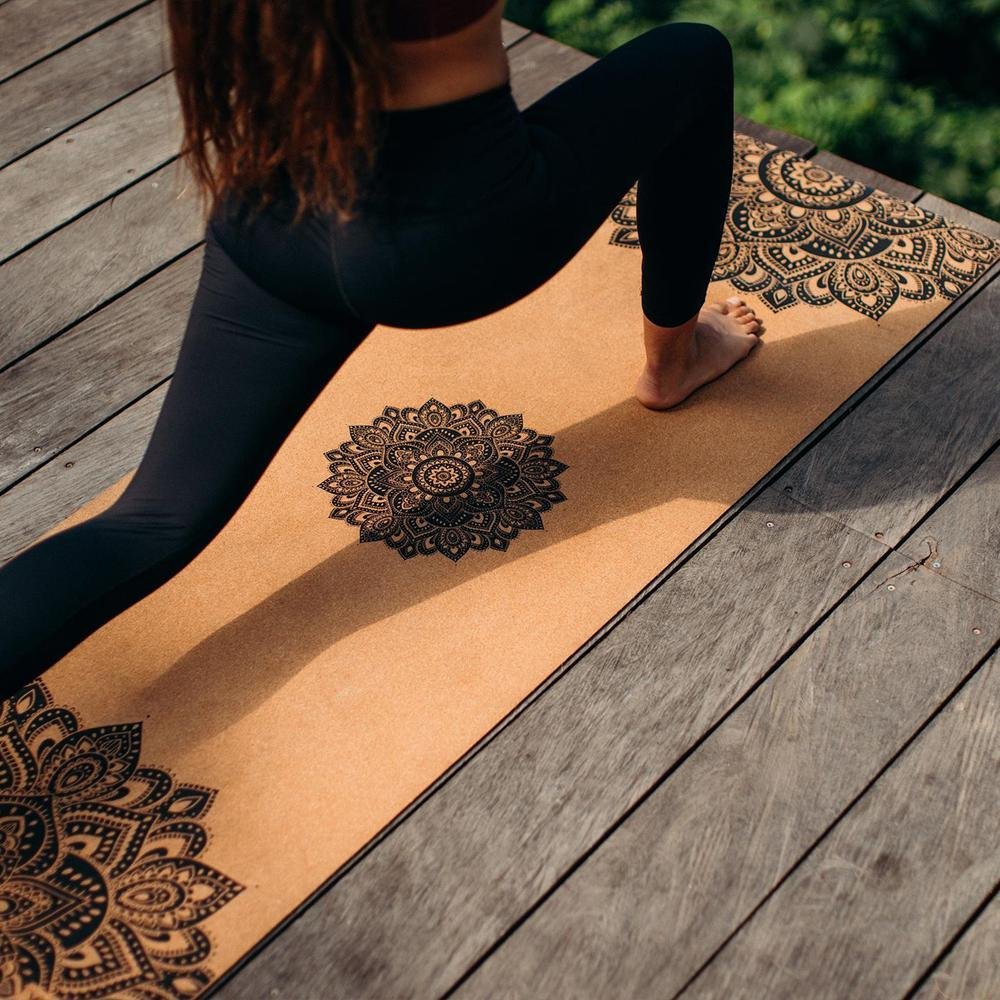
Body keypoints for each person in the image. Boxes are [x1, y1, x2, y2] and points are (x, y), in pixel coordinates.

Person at [0, 0, 761, 691]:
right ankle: (673, 361)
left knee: (152, 519)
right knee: (693, 55)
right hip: (442, 244)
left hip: (272, 219)